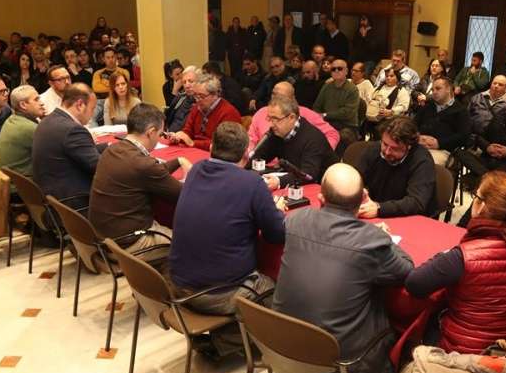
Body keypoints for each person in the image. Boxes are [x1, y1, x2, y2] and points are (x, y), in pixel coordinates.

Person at [273, 163, 413, 373]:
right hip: (339, 365)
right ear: (362, 199)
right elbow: (406, 270)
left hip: (281, 348)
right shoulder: (371, 241)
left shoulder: (295, 220)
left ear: (320, 198)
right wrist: (385, 239)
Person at [169, 122, 286, 357]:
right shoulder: (252, 183)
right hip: (216, 293)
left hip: (178, 283)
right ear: (246, 155)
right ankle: (225, 343)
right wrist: (277, 211)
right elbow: (276, 235)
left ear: (211, 147)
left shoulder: (196, 170)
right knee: (281, 292)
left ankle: (226, 335)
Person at [405, 171, 506, 354]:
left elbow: (414, 284)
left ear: (481, 206)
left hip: (467, 353)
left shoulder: (462, 257)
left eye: (476, 196)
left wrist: (445, 256)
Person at [89, 103, 188, 266]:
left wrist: (178, 161)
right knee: (192, 242)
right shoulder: (143, 164)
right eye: (160, 134)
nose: (160, 138)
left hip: (105, 238)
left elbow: (150, 172)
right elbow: (184, 196)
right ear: (150, 132)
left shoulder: (113, 149)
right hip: (130, 244)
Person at [32, 83, 101, 209]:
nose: (92, 114)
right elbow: (100, 167)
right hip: (74, 202)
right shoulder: (72, 130)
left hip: (52, 194)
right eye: (92, 109)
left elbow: (81, 150)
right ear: (80, 105)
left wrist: (110, 147)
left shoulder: (48, 120)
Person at [354, 117, 437, 218]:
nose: (387, 152)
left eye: (395, 149)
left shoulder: (422, 160)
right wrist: (360, 190)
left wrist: (380, 208)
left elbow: (417, 202)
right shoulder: (373, 149)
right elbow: (355, 178)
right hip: (374, 210)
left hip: (409, 218)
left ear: (409, 146)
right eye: (385, 144)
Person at [251, 95, 338, 190]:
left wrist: (279, 181)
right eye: (270, 118)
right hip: (294, 185)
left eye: (276, 119)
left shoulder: (313, 138)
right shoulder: (277, 133)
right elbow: (259, 157)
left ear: (292, 117)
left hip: (326, 188)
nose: (271, 124)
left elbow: (308, 175)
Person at [247, 81, 339, 151]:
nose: (275, 99)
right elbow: (250, 140)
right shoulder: (261, 113)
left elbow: (332, 134)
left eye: (281, 97)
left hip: (297, 165)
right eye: (273, 94)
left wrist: (319, 153)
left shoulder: (307, 114)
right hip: (263, 164)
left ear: (292, 99)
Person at [170, 74, 241, 150]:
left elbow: (224, 144)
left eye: (201, 96)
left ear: (215, 95)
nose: (197, 100)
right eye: (195, 95)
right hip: (195, 149)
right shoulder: (197, 107)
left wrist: (193, 143)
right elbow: (188, 130)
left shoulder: (229, 113)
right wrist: (180, 137)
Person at [415, 77, 471, 165]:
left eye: (438, 89)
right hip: (419, 144)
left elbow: (464, 136)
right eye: (433, 90)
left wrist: (439, 143)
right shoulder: (427, 107)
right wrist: (417, 136)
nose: (434, 92)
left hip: (442, 150)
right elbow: (413, 125)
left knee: (424, 163)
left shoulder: (461, 111)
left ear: (448, 89)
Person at [0, 85, 46, 178]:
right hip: (21, 184)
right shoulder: (29, 128)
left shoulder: (12, 119)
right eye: (36, 100)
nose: (42, 103)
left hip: (9, 180)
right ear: (23, 105)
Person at [313, 59, 360, 151]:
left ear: (346, 71)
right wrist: (317, 117)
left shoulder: (352, 89)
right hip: (327, 123)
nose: (336, 71)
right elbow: (317, 106)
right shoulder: (327, 87)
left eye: (340, 68)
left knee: (341, 136)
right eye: (333, 69)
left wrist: (325, 115)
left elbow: (347, 113)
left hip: (347, 125)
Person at [365, 69, 410, 133]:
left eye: (391, 76)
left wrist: (391, 111)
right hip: (370, 118)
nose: (388, 78)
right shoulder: (379, 87)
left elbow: (404, 107)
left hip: (388, 122)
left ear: (397, 78)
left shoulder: (401, 91)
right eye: (387, 76)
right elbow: (370, 97)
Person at [165, 66, 198, 133]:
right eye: (184, 82)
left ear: (199, 82)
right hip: (170, 134)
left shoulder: (202, 102)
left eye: (191, 81)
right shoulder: (180, 98)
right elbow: (168, 117)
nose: (187, 86)